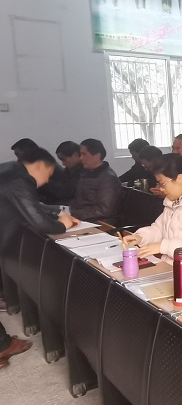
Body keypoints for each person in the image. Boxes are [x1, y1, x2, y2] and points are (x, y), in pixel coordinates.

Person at [0, 148, 80, 367]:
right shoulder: (20, 180)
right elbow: (40, 222)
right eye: (49, 174)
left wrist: (57, 212)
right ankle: (2, 346)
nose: (45, 182)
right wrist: (62, 224)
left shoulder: (10, 171)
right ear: (40, 165)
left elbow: (32, 205)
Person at [69, 139, 122, 221]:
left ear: (97, 155)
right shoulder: (86, 173)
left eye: (84, 154)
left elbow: (103, 210)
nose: (80, 158)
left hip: (98, 221)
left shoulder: (108, 178)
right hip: (81, 216)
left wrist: (72, 213)